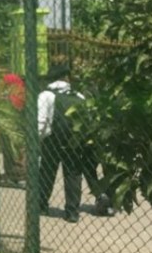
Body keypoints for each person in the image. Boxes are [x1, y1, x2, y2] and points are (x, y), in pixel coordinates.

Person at [37, 62, 114, 222]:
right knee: (73, 175)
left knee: (47, 172)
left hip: (53, 141)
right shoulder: (79, 96)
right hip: (74, 141)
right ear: (66, 77)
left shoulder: (46, 95)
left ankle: (41, 205)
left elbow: (41, 122)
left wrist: (38, 139)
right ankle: (72, 212)